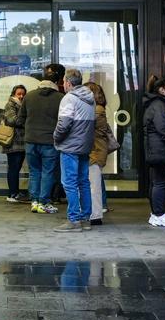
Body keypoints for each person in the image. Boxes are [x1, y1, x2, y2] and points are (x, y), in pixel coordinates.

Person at [52, 69, 97, 233]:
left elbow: (63, 124)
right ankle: (85, 218)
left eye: (64, 82)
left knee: (69, 183)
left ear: (68, 83)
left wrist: (56, 137)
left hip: (70, 146)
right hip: (85, 146)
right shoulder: (90, 98)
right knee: (83, 182)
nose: (63, 84)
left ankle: (74, 219)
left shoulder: (69, 99)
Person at [17, 63, 65, 215]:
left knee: (34, 171)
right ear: (57, 82)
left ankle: (34, 201)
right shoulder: (60, 98)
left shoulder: (29, 96)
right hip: (50, 142)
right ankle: (44, 202)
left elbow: (20, 119)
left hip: (30, 141)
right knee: (47, 172)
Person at [142, 75, 165, 228]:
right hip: (159, 149)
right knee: (160, 183)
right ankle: (159, 214)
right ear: (161, 89)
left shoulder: (153, 103)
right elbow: (163, 129)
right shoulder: (159, 105)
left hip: (153, 148)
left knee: (155, 182)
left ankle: (156, 213)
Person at [84, 81, 113, 226]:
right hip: (94, 150)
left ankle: (95, 215)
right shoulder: (96, 109)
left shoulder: (97, 110)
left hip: (95, 151)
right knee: (92, 184)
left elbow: (86, 127)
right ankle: (92, 213)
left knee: (94, 185)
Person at [0, 85, 27, 203]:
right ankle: (12, 194)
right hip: (13, 142)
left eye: (23, 94)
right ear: (13, 94)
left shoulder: (21, 105)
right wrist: (26, 120)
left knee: (16, 168)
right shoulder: (10, 104)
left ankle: (15, 192)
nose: (21, 96)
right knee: (14, 168)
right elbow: (12, 120)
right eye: (18, 94)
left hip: (20, 142)